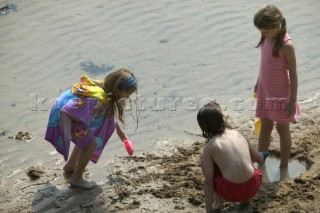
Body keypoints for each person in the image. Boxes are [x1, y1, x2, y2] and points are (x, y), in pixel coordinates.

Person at [45, 68, 137, 189]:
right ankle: (76, 178)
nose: (128, 98)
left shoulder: (105, 89)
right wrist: (83, 122)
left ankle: (70, 166)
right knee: (91, 144)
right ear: (119, 90)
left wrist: (123, 137)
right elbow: (69, 110)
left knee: (87, 138)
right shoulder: (97, 98)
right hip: (66, 116)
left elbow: (112, 117)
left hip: (68, 113)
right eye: (128, 95)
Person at [197, 102, 268, 212]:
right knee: (247, 159)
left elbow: (208, 182)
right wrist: (263, 156)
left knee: (204, 162)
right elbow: (259, 159)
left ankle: (217, 201)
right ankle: (246, 201)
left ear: (204, 127)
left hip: (230, 193)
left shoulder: (210, 147)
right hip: (253, 186)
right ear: (222, 118)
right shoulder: (238, 134)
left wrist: (208, 210)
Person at [253, 4, 300, 168]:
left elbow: (293, 74)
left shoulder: (286, 46)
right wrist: (258, 82)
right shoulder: (266, 37)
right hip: (266, 90)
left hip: (282, 94)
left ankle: (284, 166)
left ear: (277, 26)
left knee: (282, 129)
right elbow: (263, 64)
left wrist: (292, 100)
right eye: (260, 31)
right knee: (265, 126)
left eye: (265, 30)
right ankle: (261, 162)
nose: (262, 33)